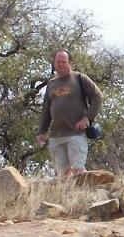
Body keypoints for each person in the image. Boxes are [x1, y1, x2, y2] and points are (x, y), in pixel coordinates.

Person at [37, 50, 103, 178]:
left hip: (76, 133)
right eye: (58, 62)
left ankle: (87, 195)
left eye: (64, 62)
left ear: (70, 63)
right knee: (63, 175)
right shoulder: (51, 84)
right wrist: (41, 131)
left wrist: (87, 118)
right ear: (54, 63)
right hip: (56, 135)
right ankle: (69, 197)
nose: (61, 64)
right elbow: (46, 109)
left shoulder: (79, 78)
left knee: (78, 170)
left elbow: (97, 96)